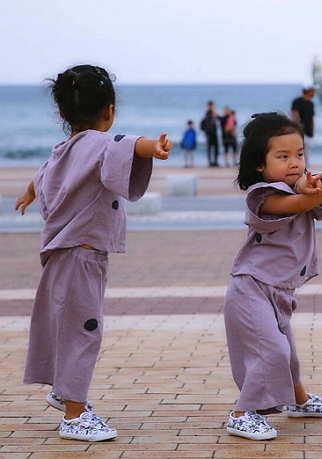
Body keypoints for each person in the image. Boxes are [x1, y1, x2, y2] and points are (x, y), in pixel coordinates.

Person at [14, 64, 172, 442]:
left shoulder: (63, 150)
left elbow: (42, 175)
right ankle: (73, 414)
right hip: (80, 258)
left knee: (69, 328)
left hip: (68, 256)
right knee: (84, 333)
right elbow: (127, 144)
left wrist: (30, 191)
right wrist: (156, 147)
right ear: (110, 111)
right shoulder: (101, 145)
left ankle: (65, 393)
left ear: (63, 113)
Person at [223, 112, 322, 440]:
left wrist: (312, 185)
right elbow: (297, 202)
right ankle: (243, 413)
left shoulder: (299, 185)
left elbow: (306, 194)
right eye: (282, 157)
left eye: (299, 154)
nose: (294, 163)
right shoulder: (262, 195)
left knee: (289, 354)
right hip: (251, 288)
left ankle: (298, 401)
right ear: (260, 163)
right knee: (273, 351)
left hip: (280, 291)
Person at [290, 87, 315, 160]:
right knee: (300, 152)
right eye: (312, 91)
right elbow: (294, 116)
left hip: (309, 133)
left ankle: (305, 170)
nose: (314, 93)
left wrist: (312, 131)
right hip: (300, 131)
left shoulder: (311, 104)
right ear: (308, 91)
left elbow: (311, 118)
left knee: (307, 154)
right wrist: (296, 130)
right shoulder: (297, 102)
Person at [200, 101, 219, 167]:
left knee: (216, 148)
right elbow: (203, 124)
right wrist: (205, 131)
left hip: (214, 133)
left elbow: (218, 120)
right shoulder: (207, 114)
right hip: (209, 134)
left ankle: (215, 161)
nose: (211, 107)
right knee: (209, 148)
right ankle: (210, 162)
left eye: (212, 106)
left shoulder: (214, 114)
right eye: (210, 106)